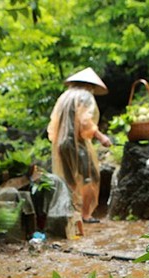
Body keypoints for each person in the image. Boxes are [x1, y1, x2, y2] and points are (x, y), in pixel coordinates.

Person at [47, 67, 112, 228]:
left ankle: (72, 215)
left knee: (69, 180)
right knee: (91, 177)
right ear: (90, 85)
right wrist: (101, 137)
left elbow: (53, 123)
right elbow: (85, 121)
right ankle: (85, 215)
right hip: (76, 143)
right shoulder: (85, 96)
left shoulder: (65, 96)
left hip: (61, 143)